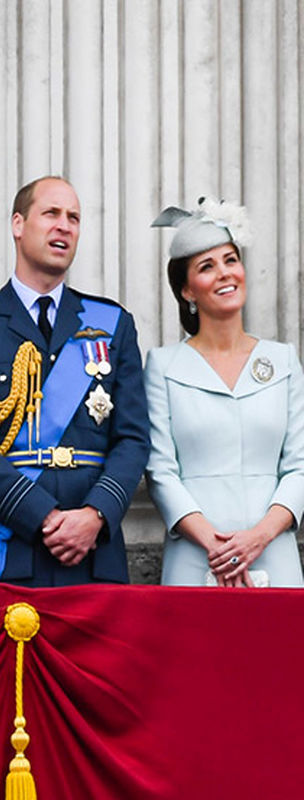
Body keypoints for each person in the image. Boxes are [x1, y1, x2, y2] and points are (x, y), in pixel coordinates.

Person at [0, 176, 150, 586]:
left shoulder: (112, 324)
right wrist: (43, 516)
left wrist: (95, 515)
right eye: (51, 213)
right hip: (9, 542)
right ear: (18, 224)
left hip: (93, 551)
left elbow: (133, 438)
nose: (64, 226)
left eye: (74, 218)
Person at [146, 198, 304, 587]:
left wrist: (258, 536)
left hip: (274, 555)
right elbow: (160, 470)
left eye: (230, 260)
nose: (224, 273)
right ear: (187, 291)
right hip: (196, 559)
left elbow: (299, 465)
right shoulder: (163, 366)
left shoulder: (283, 360)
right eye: (207, 266)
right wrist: (217, 546)